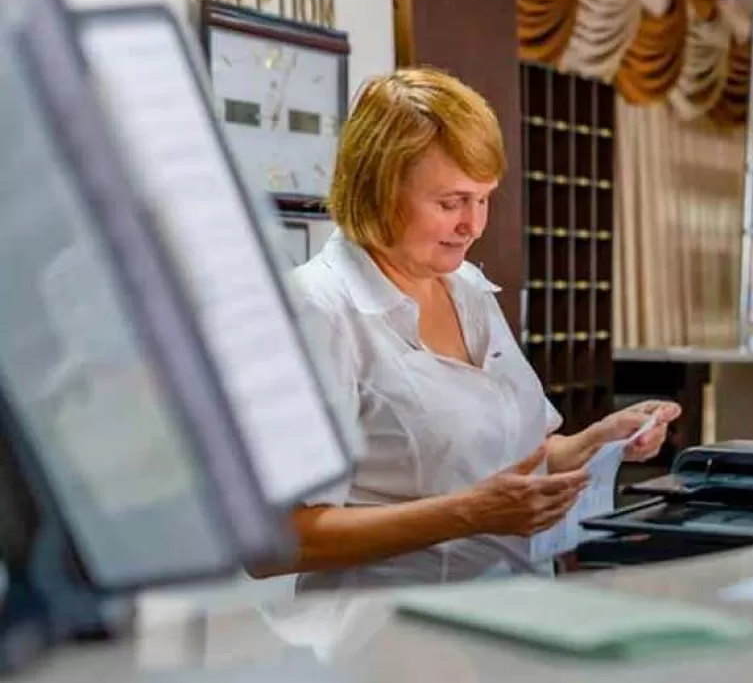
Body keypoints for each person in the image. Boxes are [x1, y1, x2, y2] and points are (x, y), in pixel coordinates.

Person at [261, 67, 680, 590]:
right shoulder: (314, 309)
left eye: (484, 199)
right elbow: (273, 541)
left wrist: (595, 443)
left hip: (508, 616)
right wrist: (465, 515)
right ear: (378, 190)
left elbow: (509, 459)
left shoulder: (468, 288)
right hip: (386, 640)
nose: (474, 225)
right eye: (451, 202)